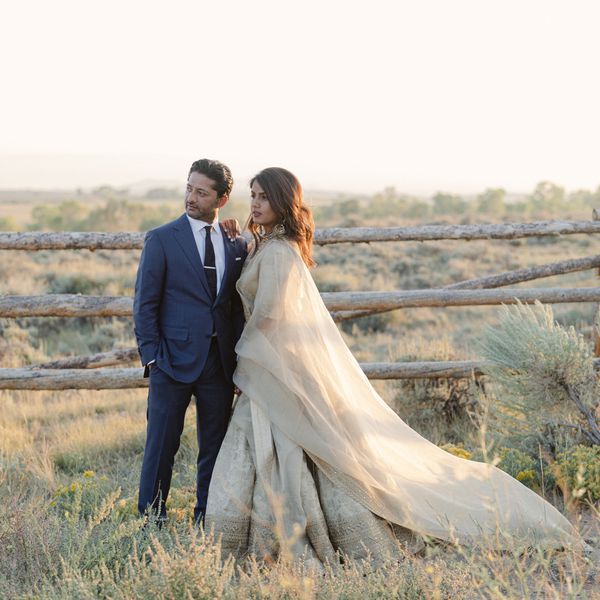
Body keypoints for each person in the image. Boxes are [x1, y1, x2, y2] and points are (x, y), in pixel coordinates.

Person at [205, 167, 579, 564]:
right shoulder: (267, 245)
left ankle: (283, 539)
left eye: (264, 196)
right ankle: (263, 538)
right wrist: (239, 243)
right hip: (270, 362)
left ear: (283, 202)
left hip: (274, 364)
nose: (256, 204)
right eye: (253, 195)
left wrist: (241, 366)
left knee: (283, 447)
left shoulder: (279, 252)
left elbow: (269, 318)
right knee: (275, 448)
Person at [133, 158, 247, 523]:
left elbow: (233, 307)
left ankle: (206, 519)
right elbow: (145, 303)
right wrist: (152, 357)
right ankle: (152, 519)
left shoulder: (235, 243)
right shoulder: (163, 238)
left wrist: (238, 362)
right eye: (189, 188)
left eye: (201, 192)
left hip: (218, 363)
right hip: (170, 360)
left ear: (222, 199)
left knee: (214, 447)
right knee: (161, 446)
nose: (191, 197)